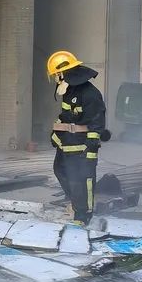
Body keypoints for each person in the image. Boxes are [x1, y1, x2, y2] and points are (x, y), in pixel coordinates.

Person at [46, 50, 108, 225]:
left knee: (82, 179)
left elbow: (97, 121)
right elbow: (67, 116)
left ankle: (83, 214)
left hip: (82, 145)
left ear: (63, 73)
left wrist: (91, 147)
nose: (55, 79)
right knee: (60, 170)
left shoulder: (89, 93)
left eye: (56, 75)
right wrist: (56, 134)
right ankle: (75, 202)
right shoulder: (70, 90)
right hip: (67, 142)